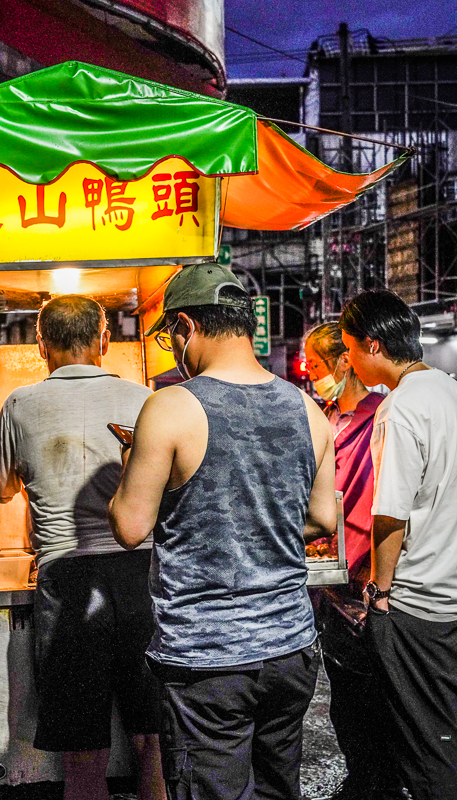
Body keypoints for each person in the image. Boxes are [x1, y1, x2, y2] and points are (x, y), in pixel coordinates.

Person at [109, 262, 337, 800]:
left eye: (171, 338)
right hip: (291, 650)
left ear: (186, 326)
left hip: (209, 662)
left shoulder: (171, 406)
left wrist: (131, 459)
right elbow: (323, 518)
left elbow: (129, 526)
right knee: (278, 790)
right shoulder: (308, 408)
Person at [0, 295, 162, 800]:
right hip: (143, 576)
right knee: (152, 736)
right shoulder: (144, 399)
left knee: (82, 749)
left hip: (67, 582)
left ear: (41, 346)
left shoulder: (20, 403)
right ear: (104, 341)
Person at [339, 289, 457, 800]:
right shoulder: (453, 392)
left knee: (427, 749)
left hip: (419, 605)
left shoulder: (399, 408)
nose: (350, 361)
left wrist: (378, 594)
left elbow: (390, 513)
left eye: (350, 348)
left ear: (374, 345)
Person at [303, 322, 399, 800]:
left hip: (369, 579)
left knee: (377, 697)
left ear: (345, 361)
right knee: (344, 698)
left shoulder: (382, 415)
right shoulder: (319, 417)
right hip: (326, 580)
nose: (313, 375)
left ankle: (382, 783)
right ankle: (361, 779)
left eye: (317, 366)